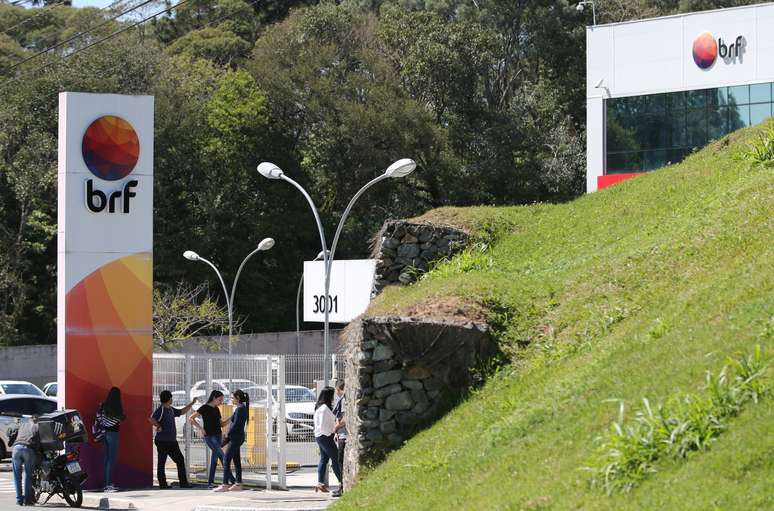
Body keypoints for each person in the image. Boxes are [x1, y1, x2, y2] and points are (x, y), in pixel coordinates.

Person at [149, 390, 196, 489]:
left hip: (172, 441)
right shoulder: (161, 410)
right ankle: (163, 484)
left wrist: (192, 403)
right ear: (169, 399)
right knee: (162, 462)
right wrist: (158, 426)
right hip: (162, 441)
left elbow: (181, 412)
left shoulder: (170, 409)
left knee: (180, 460)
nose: (172, 400)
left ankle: (183, 483)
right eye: (171, 398)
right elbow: (151, 419)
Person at [190, 390, 230, 488]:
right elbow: (191, 418)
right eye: (220, 400)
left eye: (222, 400)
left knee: (214, 460)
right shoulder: (204, 408)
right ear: (214, 398)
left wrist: (232, 418)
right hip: (209, 437)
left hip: (218, 435)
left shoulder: (216, 409)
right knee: (223, 457)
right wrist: (201, 428)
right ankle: (233, 480)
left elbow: (222, 424)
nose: (221, 402)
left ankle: (210, 483)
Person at [214, 389, 249, 492]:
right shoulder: (241, 408)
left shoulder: (240, 409)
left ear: (237, 398)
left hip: (235, 438)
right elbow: (234, 422)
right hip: (238, 437)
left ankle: (225, 484)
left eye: (232, 398)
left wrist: (227, 436)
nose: (231, 399)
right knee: (236, 460)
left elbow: (236, 425)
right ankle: (238, 483)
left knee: (226, 460)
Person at [313, 386, 342, 494]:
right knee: (336, 459)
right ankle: (341, 482)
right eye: (332, 395)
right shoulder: (324, 408)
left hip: (321, 436)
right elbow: (322, 425)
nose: (333, 397)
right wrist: (331, 432)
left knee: (324, 459)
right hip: (325, 436)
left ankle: (320, 484)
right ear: (328, 396)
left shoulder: (319, 407)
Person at [97, 386, 126, 492]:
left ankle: (106, 484)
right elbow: (119, 419)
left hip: (103, 433)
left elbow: (99, 418)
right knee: (111, 459)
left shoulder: (102, 406)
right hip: (113, 434)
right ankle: (109, 484)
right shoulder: (117, 408)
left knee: (106, 458)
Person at [8, 416, 40, 506]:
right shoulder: (37, 426)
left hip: (16, 448)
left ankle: (19, 500)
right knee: (28, 475)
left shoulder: (22, 424)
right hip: (28, 449)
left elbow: (12, 433)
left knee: (17, 476)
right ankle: (27, 500)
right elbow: (39, 443)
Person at [332, 380, 347, 497]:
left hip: (343, 435)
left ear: (338, 389)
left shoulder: (344, 400)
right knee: (340, 462)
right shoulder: (342, 399)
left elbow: (344, 418)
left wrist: (336, 428)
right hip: (341, 434)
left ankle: (341, 487)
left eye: (336, 390)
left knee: (340, 463)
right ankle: (342, 486)